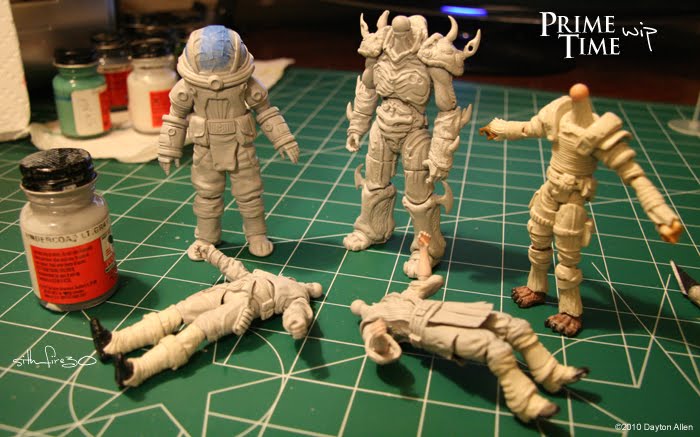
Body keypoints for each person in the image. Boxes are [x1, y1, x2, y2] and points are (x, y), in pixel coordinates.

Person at [479, 84, 683, 336]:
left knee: (567, 260)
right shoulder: (557, 116)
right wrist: (498, 128)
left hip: (573, 199)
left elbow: (634, 175)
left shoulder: (599, 133)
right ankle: (536, 287)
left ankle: (570, 311)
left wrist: (661, 215)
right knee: (538, 240)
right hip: (549, 190)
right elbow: (526, 128)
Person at [350, 232, 588, 422]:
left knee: (514, 325)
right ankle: (524, 403)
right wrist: (379, 337)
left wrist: (423, 249)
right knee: (493, 348)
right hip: (425, 329)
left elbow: (429, 280)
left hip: (445, 310)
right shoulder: (373, 318)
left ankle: (551, 374)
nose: (385, 298)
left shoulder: (403, 296)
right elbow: (380, 351)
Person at [344, 11, 480, 278]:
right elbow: (368, 89)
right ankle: (371, 229)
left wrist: (440, 153)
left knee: (419, 197)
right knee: (374, 185)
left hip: (414, 131)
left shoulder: (431, 58)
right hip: (381, 126)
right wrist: (357, 125)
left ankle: (426, 249)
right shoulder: (378, 50)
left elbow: (447, 109)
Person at [157, 25, 300, 260]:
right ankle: (206, 237)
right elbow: (176, 117)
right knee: (207, 194)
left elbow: (266, 112)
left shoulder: (246, 83)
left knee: (249, 194)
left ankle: (256, 234)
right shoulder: (189, 85)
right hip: (206, 147)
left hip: (240, 145)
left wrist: (283, 139)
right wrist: (168, 147)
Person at [90, 245, 322, 387]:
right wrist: (212, 253)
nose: (309, 285)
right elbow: (236, 270)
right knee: (178, 311)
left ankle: (137, 370)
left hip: (243, 307)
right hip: (227, 290)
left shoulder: (298, 294)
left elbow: (297, 311)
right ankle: (113, 342)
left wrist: (296, 322)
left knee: (196, 331)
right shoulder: (270, 276)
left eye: (312, 287)